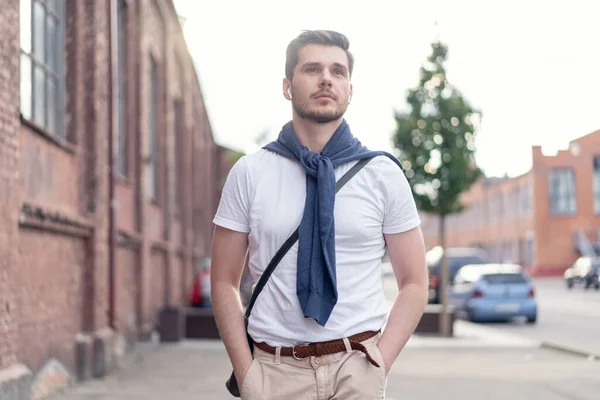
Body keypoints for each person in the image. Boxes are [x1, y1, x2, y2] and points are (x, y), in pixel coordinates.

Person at [211, 30, 428, 400]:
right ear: (286, 86)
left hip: (356, 366)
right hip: (274, 373)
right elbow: (223, 281)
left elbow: (414, 282)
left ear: (350, 89)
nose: (327, 78)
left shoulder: (383, 174)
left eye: (338, 71)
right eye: (312, 68)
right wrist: (249, 375)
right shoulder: (250, 173)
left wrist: (379, 363)